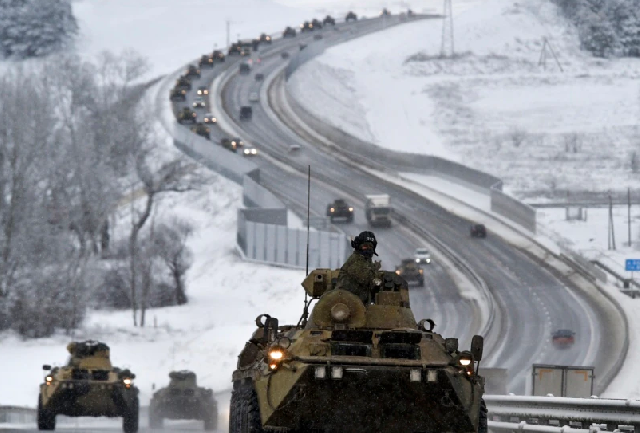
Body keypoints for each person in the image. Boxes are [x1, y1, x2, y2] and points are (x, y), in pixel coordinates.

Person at [336, 231, 381, 303]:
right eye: (365, 246)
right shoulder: (356, 260)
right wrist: (375, 270)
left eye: (370, 247)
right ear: (358, 246)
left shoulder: (365, 260)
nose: (368, 249)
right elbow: (366, 279)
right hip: (347, 302)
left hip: (357, 301)